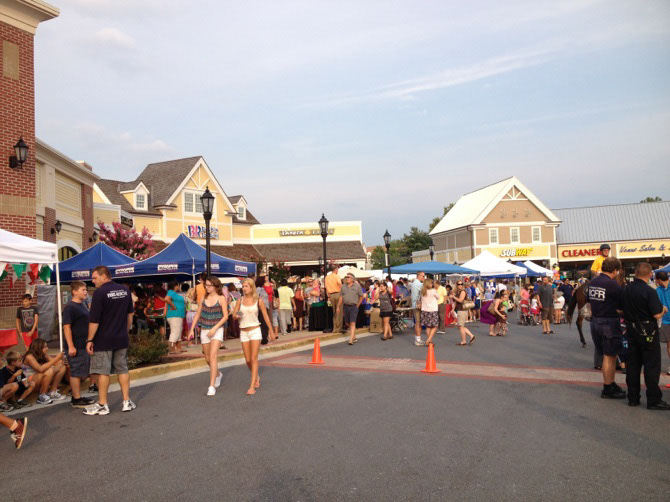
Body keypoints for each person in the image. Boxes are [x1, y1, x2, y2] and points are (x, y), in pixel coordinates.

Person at [84, 265, 136, 416]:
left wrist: (89, 340)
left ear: (103, 276)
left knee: (103, 372)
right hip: (121, 337)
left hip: (103, 339)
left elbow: (94, 320)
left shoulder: (99, 293)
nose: (93, 281)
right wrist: (125, 332)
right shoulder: (125, 290)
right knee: (122, 369)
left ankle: (102, 404)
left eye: (94, 278)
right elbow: (130, 315)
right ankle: (126, 401)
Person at [622, 263, 669, 409]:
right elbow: (656, 314)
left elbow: (619, 310)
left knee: (633, 365)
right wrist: (664, 310)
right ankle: (653, 399)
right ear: (650, 275)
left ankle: (633, 397)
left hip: (631, 330)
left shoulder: (625, 289)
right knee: (651, 366)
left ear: (635, 272)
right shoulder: (650, 291)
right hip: (648, 331)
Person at [587, 257, 626, 400]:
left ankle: (610, 383)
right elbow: (622, 307)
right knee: (610, 356)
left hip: (595, 322)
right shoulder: (613, 284)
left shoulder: (593, 282)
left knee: (606, 355)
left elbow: (589, 302)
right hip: (608, 323)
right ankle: (608, 387)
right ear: (615, 270)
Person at [232, 278, 274, 395]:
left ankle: (252, 385)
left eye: (246, 286)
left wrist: (271, 331)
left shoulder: (258, 300)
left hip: (255, 330)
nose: (244, 288)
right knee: (248, 360)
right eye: (243, 286)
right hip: (244, 332)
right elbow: (235, 315)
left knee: (254, 358)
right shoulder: (240, 300)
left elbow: (266, 317)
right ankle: (256, 376)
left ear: (251, 288)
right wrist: (237, 315)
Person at [190, 276, 229, 396]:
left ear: (215, 286)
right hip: (204, 330)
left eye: (208, 285)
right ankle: (218, 374)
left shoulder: (221, 298)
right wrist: (191, 329)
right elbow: (198, 314)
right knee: (207, 358)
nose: (206, 287)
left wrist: (215, 328)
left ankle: (211, 386)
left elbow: (225, 316)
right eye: (205, 285)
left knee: (212, 357)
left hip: (216, 330)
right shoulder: (203, 298)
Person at [62, 281, 95, 408]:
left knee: (82, 372)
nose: (86, 292)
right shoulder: (70, 307)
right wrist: (71, 346)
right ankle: (76, 399)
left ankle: (77, 396)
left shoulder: (83, 305)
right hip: (75, 346)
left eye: (86, 289)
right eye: (83, 290)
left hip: (83, 344)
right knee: (75, 372)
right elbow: (66, 327)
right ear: (74, 292)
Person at [22, 339, 66, 404]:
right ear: (38, 348)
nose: (47, 348)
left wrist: (63, 360)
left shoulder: (43, 354)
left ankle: (52, 392)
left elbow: (55, 363)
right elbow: (40, 369)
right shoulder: (29, 357)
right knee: (49, 370)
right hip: (30, 382)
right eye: (45, 347)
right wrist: (57, 358)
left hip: (41, 378)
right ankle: (42, 395)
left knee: (62, 367)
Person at [338, 273, 364, 345]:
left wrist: (357, 305)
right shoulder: (343, 286)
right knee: (347, 323)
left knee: (352, 323)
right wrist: (338, 306)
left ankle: (351, 340)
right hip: (346, 306)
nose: (347, 278)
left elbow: (361, 296)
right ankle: (354, 337)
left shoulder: (357, 286)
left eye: (348, 277)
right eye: (346, 277)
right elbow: (341, 297)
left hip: (353, 306)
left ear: (353, 279)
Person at [451, 280, 475, 345]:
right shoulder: (458, 292)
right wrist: (453, 309)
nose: (460, 285)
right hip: (460, 309)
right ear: (456, 285)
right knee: (460, 326)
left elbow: (460, 300)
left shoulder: (463, 291)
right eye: (459, 284)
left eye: (461, 284)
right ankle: (471, 336)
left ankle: (464, 341)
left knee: (461, 326)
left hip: (462, 310)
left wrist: (453, 297)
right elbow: (456, 302)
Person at [656, 271, 670, 378]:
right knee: (669, 344)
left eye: (656, 280)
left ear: (659, 280)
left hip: (666, 320)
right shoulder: (658, 290)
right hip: (665, 321)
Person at [166, 281, 186, 353]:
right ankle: (172, 349)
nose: (179, 287)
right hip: (174, 315)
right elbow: (167, 299)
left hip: (178, 314)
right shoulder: (171, 292)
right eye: (178, 285)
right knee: (175, 331)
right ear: (175, 286)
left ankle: (179, 347)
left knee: (179, 331)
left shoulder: (174, 293)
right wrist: (173, 306)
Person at [420, 279, 440, 346]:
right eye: (431, 283)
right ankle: (428, 340)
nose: (432, 284)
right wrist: (436, 290)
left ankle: (430, 341)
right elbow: (438, 297)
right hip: (432, 310)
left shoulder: (423, 291)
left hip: (425, 310)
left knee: (428, 326)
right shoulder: (433, 291)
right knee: (435, 326)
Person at [325, 264, 343, 334]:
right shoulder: (337, 276)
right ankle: (338, 328)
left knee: (334, 311)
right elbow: (340, 285)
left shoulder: (327, 277)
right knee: (339, 311)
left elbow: (326, 288)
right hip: (338, 293)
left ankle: (334, 328)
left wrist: (328, 296)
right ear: (336, 270)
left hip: (331, 295)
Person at [411, 272, 426, 346]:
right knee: (418, 322)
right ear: (418, 276)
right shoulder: (418, 284)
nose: (424, 277)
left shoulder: (415, 283)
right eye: (423, 276)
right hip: (418, 305)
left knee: (418, 322)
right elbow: (425, 291)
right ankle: (417, 339)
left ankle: (418, 338)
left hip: (415, 305)